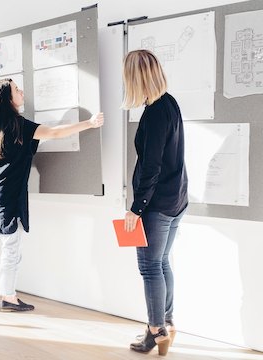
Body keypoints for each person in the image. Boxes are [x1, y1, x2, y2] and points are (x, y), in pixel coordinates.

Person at [0, 78, 104, 312]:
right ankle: (8, 297)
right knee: (11, 246)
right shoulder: (18, 125)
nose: (22, 91)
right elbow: (55, 132)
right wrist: (88, 123)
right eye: (17, 90)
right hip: (7, 193)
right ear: (8, 99)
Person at [122, 50, 188, 356]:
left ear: (135, 78)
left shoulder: (155, 112)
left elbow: (151, 166)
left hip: (156, 204)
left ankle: (155, 330)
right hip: (176, 200)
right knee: (161, 263)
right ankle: (167, 323)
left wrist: (137, 208)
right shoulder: (170, 103)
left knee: (150, 267)